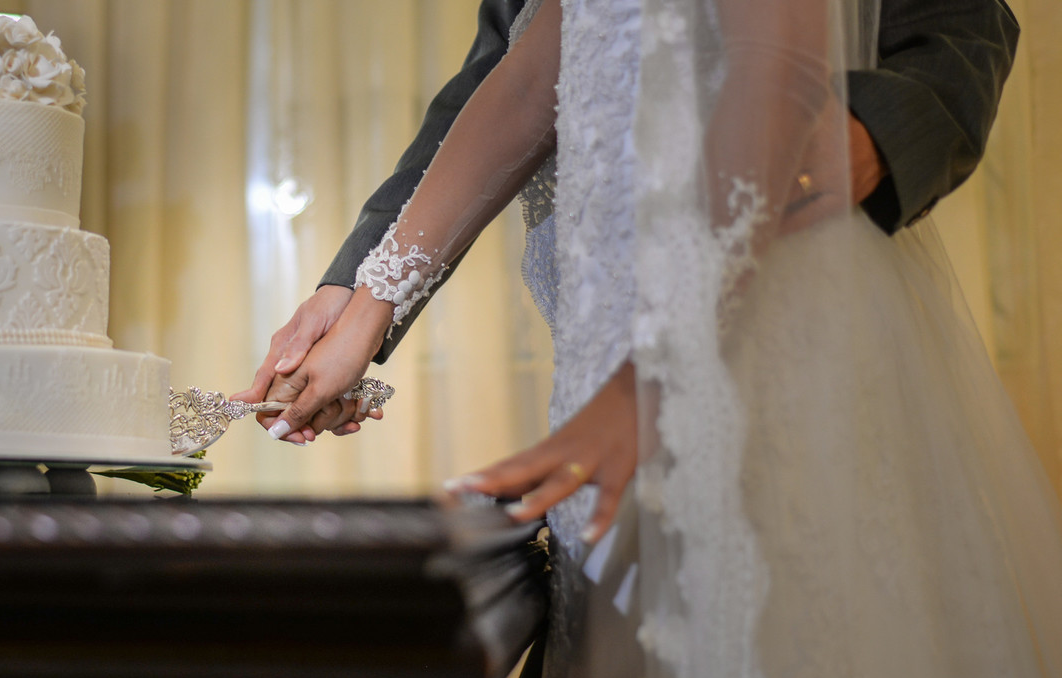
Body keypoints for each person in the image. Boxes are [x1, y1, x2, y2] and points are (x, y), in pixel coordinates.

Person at [238, 0, 1062, 678]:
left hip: (765, 308)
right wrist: (366, 300)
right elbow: (529, 71)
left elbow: (774, 73)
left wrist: (650, 378)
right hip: (619, 340)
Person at [233, 0, 1021, 447]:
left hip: (794, 293)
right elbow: (514, 77)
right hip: (599, 351)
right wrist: (364, 297)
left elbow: (964, 27)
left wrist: (860, 146)